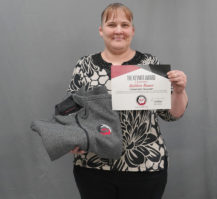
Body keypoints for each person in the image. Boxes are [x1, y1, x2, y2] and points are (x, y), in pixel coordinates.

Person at [67, 3, 188, 199]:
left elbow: (171, 114)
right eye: (111, 24)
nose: (118, 30)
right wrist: (72, 137)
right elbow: (73, 111)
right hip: (93, 167)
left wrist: (180, 91)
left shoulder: (149, 63)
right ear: (101, 30)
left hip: (144, 166)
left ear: (132, 30)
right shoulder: (84, 65)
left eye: (124, 25)